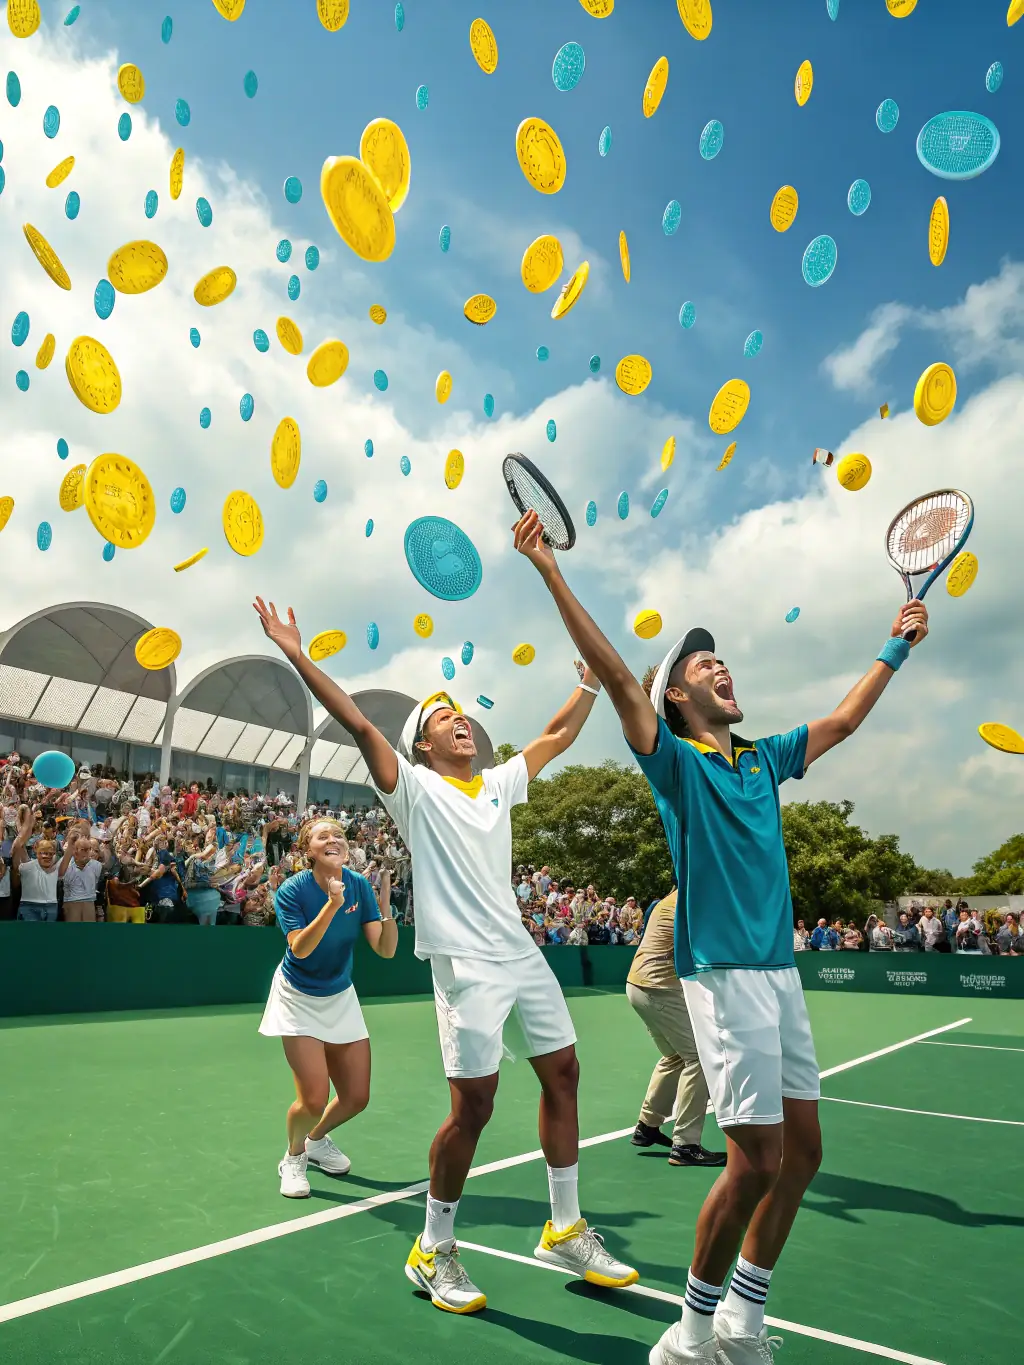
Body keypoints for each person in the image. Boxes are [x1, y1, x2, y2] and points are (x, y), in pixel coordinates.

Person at [512, 503, 930, 1365]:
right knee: (752, 1162)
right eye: (706, 662)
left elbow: (844, 720)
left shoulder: (762, 756)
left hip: (778, 972)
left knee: (802, 1152)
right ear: (678, 693)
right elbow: (617, 675)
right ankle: (688, 1334)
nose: (723, 665)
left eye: (723, 657)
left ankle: (742, 1319)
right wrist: (551, 570)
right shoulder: (674, 762)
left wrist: (896, 644)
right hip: (723, 976)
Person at [254, 595, 637, 1313]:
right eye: (439, 718)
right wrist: (296, 652)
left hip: (521, 954)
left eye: (459, 712)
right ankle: (433, 1247)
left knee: (565, 1072)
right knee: (476, 1106)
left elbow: (554, 736)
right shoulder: (415, 789)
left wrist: (587, 684)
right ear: (422, 746)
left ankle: (563, 1224)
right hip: (465, 965)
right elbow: (360, 722)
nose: (458, 719)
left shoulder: (496, 783)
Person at [260, 819, 396, 1197]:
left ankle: (316, 1141)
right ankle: (293, 1156)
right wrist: (333, 905)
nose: (334, 839)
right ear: (309, 850)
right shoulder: (292, 890)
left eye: (339, 835)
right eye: (324, 836)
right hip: (297, 996)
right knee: (314, 1098)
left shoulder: (359, 886)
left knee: (356, 1097)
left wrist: (386, 909)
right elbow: (300, 948)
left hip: (340, 996)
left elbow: (385, 950)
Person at [628, 890, 726, 1169]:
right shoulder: (690, 902)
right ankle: (685, 1145)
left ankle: (647, 1126)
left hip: (638, 985)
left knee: (674, 1056)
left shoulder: (666, 901)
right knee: (700, 1057)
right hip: (659, 989)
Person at [11, 804, 73, 921]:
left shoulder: (56, 866)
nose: (46, 856)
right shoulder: (27, 866)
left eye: (50, 853)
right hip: (28, 907)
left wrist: (71, 844)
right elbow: (17, 848)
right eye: (43, 853)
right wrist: (25, 828)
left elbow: (66, 857)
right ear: (36, 850)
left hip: (51, 907)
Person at [61, 831, 103, 922]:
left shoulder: (97, 866)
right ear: (75, 851)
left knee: (88, 932)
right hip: (71, 902)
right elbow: (60, 874)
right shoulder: (65, 862)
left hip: (89, 902)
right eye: (84, 849)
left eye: (90, 849)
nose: (89, 852)